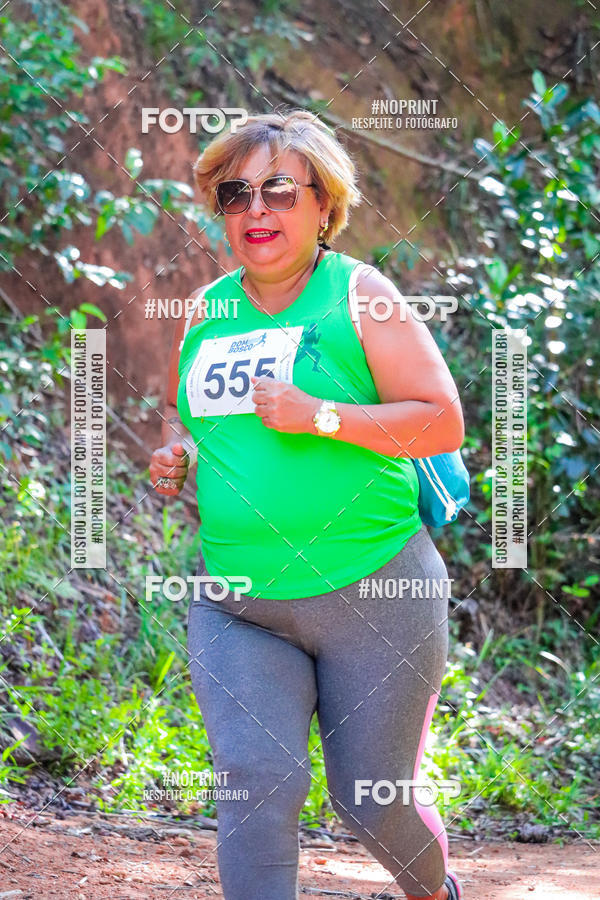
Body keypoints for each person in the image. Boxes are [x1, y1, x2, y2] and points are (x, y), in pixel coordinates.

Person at [149, 109, 465, 900]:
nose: (256, 211)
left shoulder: (362, 294)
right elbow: (184, 419)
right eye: (235, 194)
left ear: (325, 204)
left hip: (377, 592)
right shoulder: (205, 310)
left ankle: (436, 892)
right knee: (256, 785)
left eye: (280, 191)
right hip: (240, 604)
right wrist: (175, 455)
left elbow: (440, 419)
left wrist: (318, 413)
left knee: (370, 802)